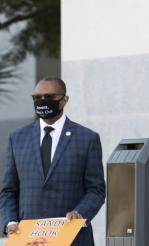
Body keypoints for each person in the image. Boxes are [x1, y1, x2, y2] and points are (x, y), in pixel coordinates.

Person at [0, 77, 106, 246]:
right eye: (37, 98)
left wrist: (80, 212)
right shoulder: (18, 138)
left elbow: (97, 189)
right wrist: (10, 221)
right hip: (28, 238)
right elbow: (8, 191)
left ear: (64, 100)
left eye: (49, 97)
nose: (43, 101)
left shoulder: (87, 138)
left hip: (73, 238)